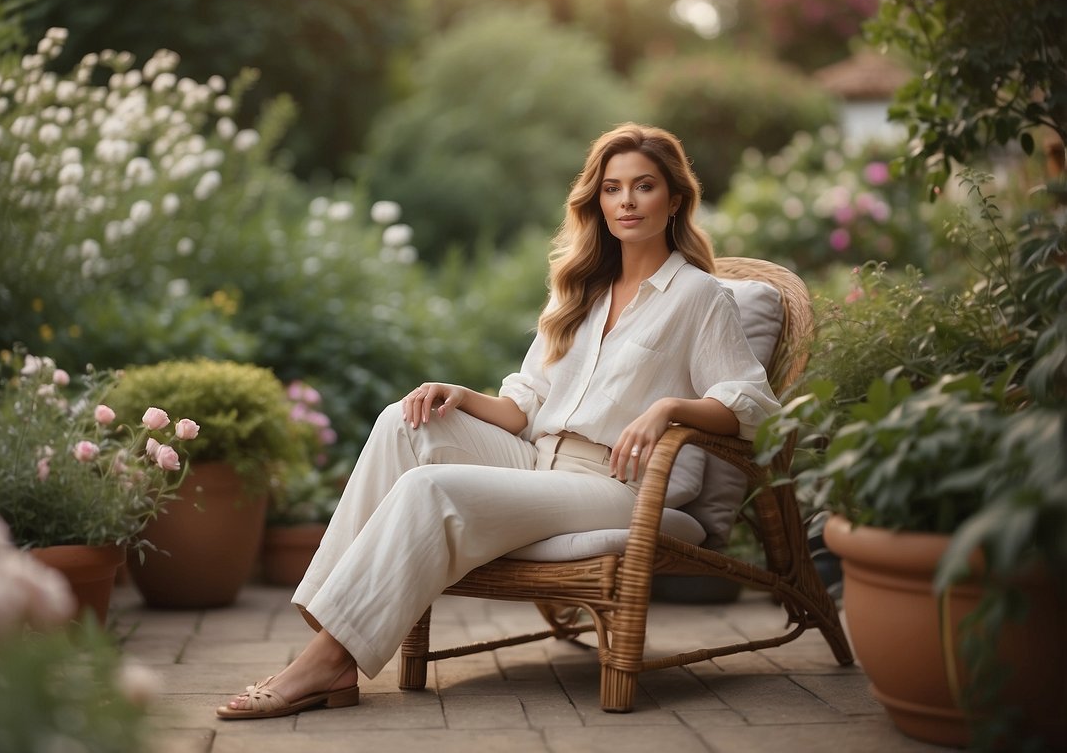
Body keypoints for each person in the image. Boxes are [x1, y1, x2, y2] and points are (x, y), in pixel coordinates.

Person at [216, 122, 780, 720]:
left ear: (674, 200)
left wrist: (669, 409)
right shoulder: (581, 292)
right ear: (599, 201)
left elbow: (752, 404)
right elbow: (524, 405)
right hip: (539, 461)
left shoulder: (699, 296)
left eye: (644, 186)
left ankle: (329, 660)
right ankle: (330, 630)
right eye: (613, 188)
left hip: (622, 484)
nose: (627, 201)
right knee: (404, 424)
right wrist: (460, 395)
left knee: (431, 489)